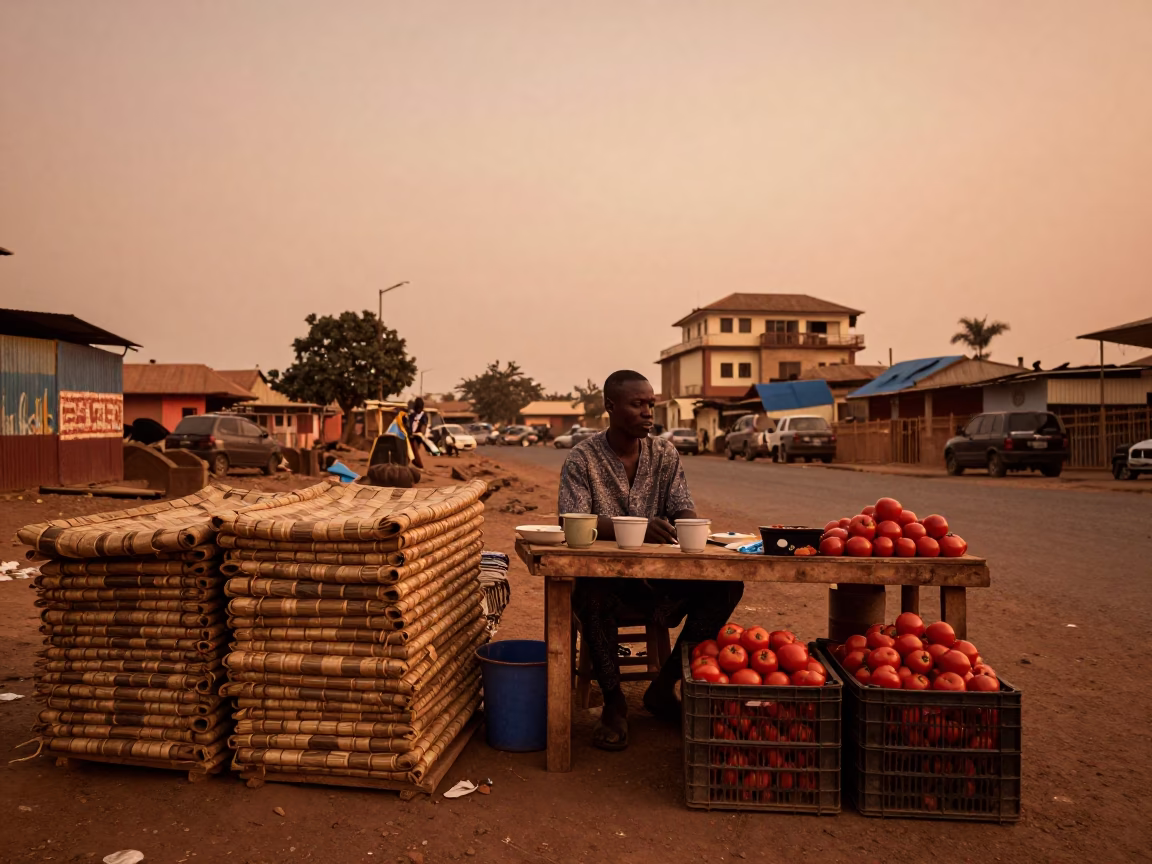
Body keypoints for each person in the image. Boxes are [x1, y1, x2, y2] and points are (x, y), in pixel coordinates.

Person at [558, 370, 744, 751]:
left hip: (658, 584)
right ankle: (614, 702)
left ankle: (664, 687)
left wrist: (696, 526)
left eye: (651, 404)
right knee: (591, 597)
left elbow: (681, 506)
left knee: (726, 586)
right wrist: (638, 528)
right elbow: (571, 519)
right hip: (605, 585)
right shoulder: (582, 459)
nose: (648, 412)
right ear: (610, 406)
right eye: (637, 404)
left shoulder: (665, 454)